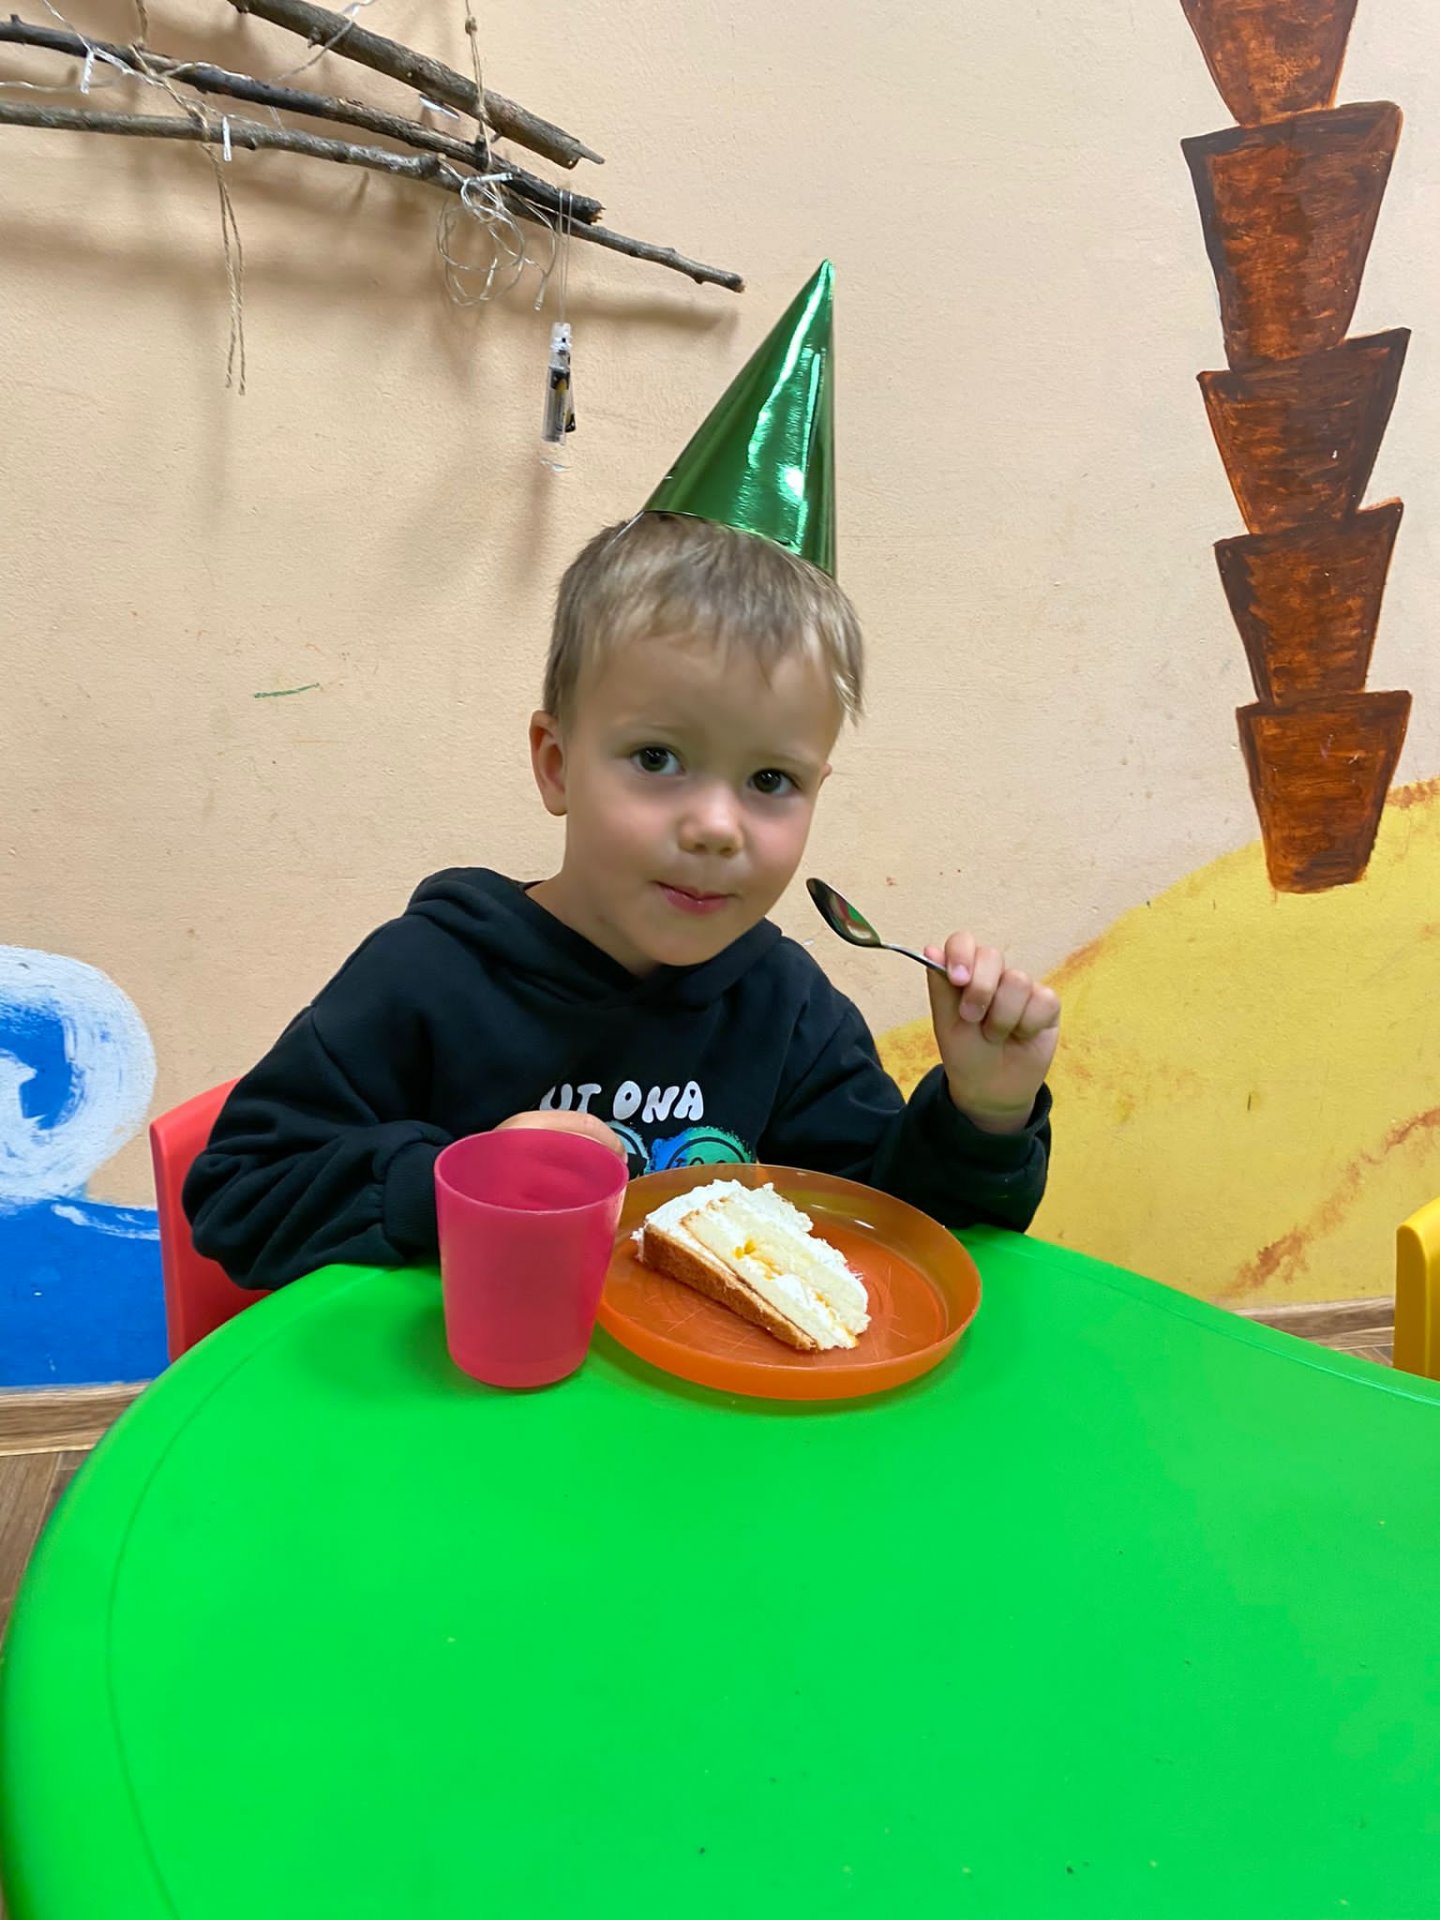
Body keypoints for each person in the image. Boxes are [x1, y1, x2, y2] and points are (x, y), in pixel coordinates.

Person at [185, 265, 1059, 1290]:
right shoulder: (430, 975)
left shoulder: (788, 1012)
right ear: (556, 763)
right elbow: (241, 1193)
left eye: (770, 779)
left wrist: (984, 1114)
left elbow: (892, 1255)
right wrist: (462, 1182)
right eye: (657, 759)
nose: (717, 825)